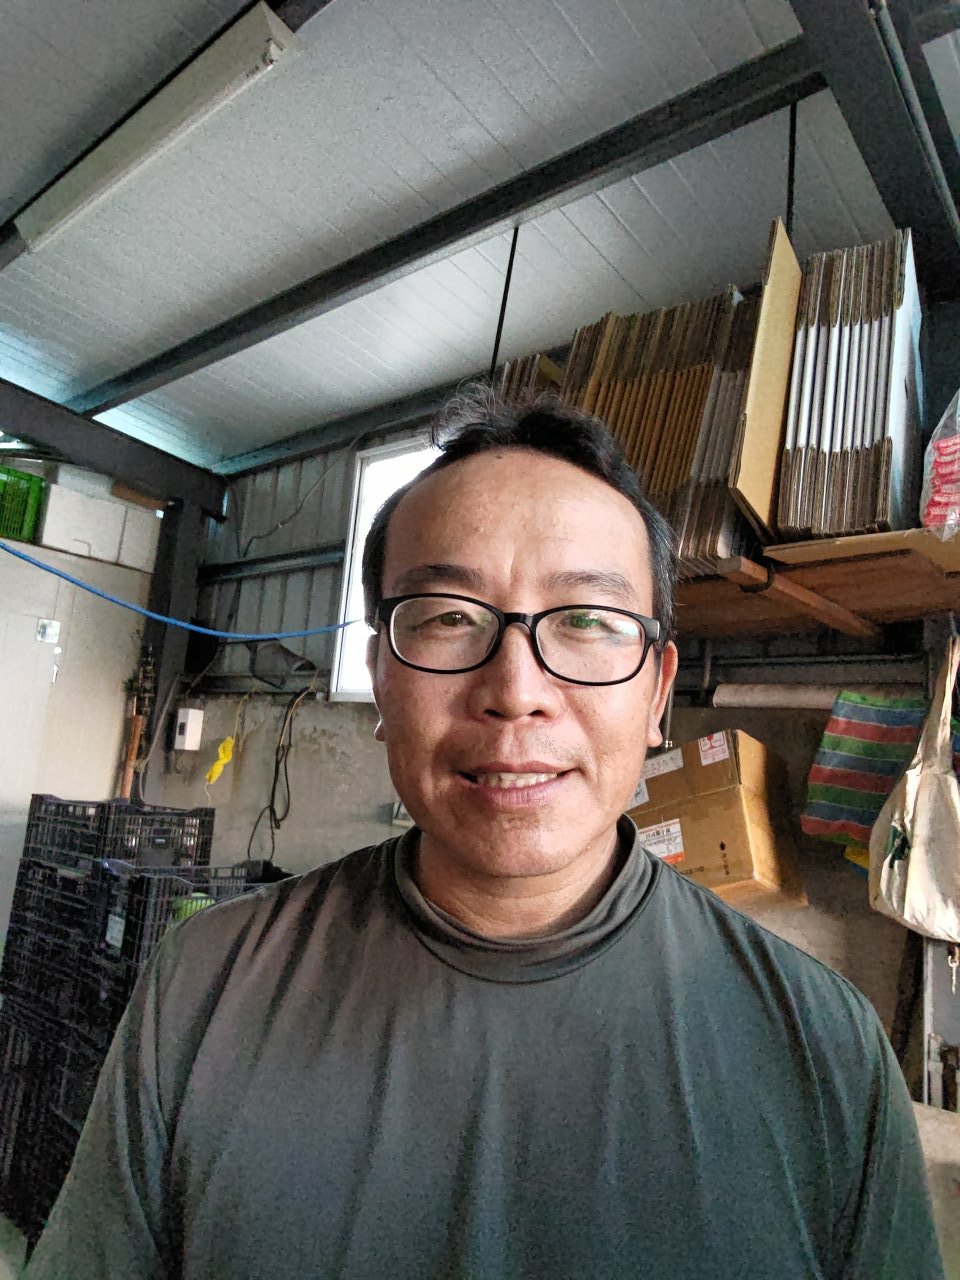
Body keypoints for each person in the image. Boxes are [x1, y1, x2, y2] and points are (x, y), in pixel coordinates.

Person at [26, 390, 943, 1279]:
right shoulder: (207, 986)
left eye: (586, 621)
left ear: (658, 691)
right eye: (450, 619)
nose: (515, 691)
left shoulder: (823, 1049)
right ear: (382, 678)